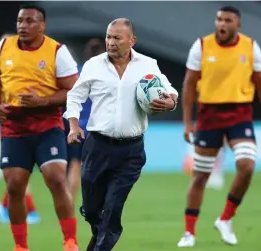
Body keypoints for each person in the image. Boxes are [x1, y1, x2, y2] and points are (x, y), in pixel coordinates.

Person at [64, 18, 179, 251]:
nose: (111, 42)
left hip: (131, 151)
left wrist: (170, 102)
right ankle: (99, 237)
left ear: (131, 40)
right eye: (108, 36)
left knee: (113, 207)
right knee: (92, 210)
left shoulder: (148, 65)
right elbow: (75, 97)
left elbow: (169, 90)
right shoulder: (93, 65)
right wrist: (74, 126)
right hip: (97, 146)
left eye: (117, 37)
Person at [0, 5, 79, 251]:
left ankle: (70, 241)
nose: (23, 25)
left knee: (56, 178)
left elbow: (76, 90)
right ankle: (21, 246)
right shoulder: (3, 48)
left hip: (48, 126)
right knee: (14, 186)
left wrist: (43, 101)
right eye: (20, 20)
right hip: (14, 128)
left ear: (42, 25)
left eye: (30, 21)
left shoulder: (57, 51)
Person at [178, 6, 261, 247]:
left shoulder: (251, 47)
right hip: (209, 115)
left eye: (227, 20)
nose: (221, 23)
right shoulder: (201, 46)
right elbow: (189, 84)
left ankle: (225, 218)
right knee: (200, 177)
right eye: (219, 19)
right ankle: (189, 232)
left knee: (247, 165)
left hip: (240, 114)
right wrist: (188, 121)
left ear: (237, 25)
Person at [0, 33, 40, 225]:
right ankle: (21, 209)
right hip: (6, 130)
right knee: (18, 173)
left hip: (24, 129)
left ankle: (9, 206)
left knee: (22, 172)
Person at [64, 38, 105, 202]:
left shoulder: (78, 74)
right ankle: (97, 204)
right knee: (98, 168)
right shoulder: (106, 76)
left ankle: (69, 204)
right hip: (98, 129)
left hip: (77, 127)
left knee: (74, 166)